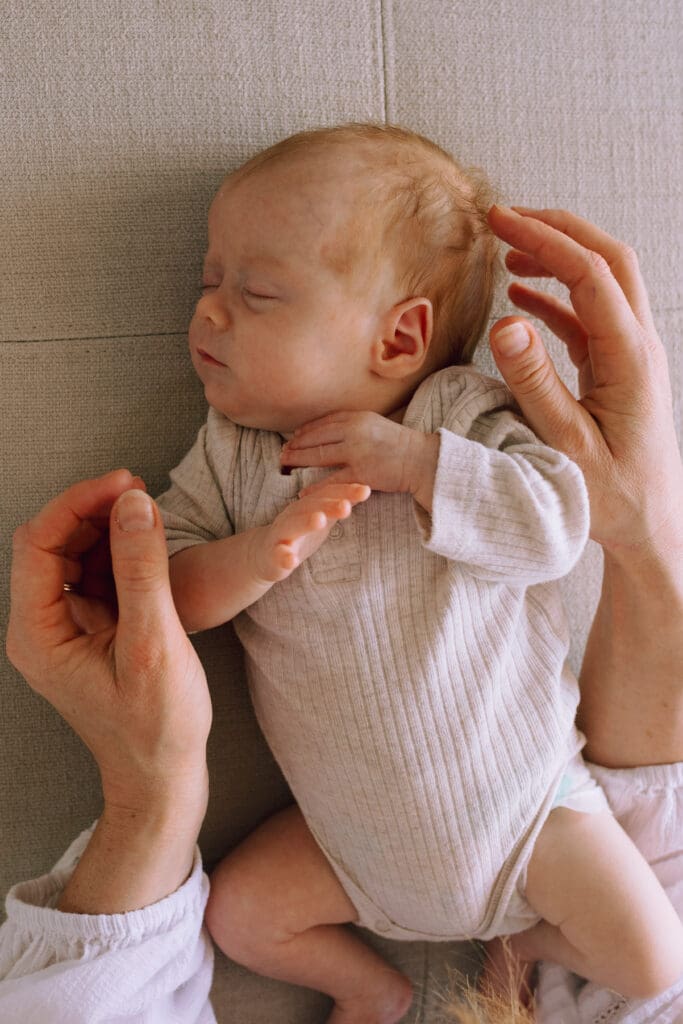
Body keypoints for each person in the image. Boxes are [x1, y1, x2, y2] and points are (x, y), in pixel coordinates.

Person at [1, 201, 681, 1024]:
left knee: (653, 962)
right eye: (208, 281)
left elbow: (555, 528)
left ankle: (529, 944)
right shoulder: (232, 454)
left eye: (255, 292)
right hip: (348, 848)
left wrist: (419, 464)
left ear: (397, 339)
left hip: (532, 820)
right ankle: (367, 986)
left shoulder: (460, 413)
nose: (206, 310)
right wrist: (251, 558)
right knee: (240, 917)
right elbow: (165, 594)